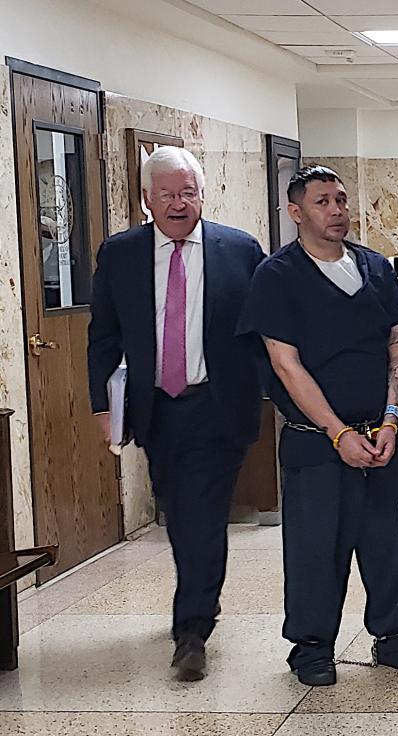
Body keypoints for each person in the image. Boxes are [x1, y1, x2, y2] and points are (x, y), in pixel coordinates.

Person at [236, 165, 398, 687]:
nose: (337, 210)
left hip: (379, 433)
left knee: (388, 539)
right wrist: (337, 432)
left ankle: (396, 635)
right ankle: (311, 646)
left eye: (342, 200)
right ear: (296, 212)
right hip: (315, 441)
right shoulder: (278, 277)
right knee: (316, 547)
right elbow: (286, 364)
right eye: (323, 201)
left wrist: (392, 419)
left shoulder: (374, 268)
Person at [87, 146, 266, 682]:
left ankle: (191, 630)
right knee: (178, 511)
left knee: (203, 514)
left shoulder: (239, 250)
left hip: (217, 403)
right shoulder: (120, 255)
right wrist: (103, 406)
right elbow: (104, 334)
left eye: (187, 192)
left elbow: (265, 329)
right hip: (156, 408)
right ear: (146, 199)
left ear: (202, 195)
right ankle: (201, 599)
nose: (178, 203)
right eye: (166, 193)